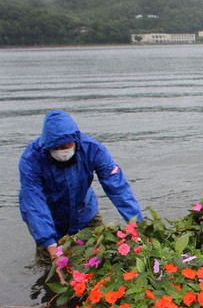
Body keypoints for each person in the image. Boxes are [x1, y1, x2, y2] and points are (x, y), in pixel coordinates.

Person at [18, 109, 143, 265]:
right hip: (48, 217)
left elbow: (118, 188)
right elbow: (34, 203)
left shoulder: (93, 149)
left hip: (84, 212)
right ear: (47, 146)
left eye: (66, 146)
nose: (62, 151)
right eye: (56, 148)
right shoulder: (31, 160)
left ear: (75, 140)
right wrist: (51, 246)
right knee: (50, 266)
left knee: (98, 258)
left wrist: (138, 226)